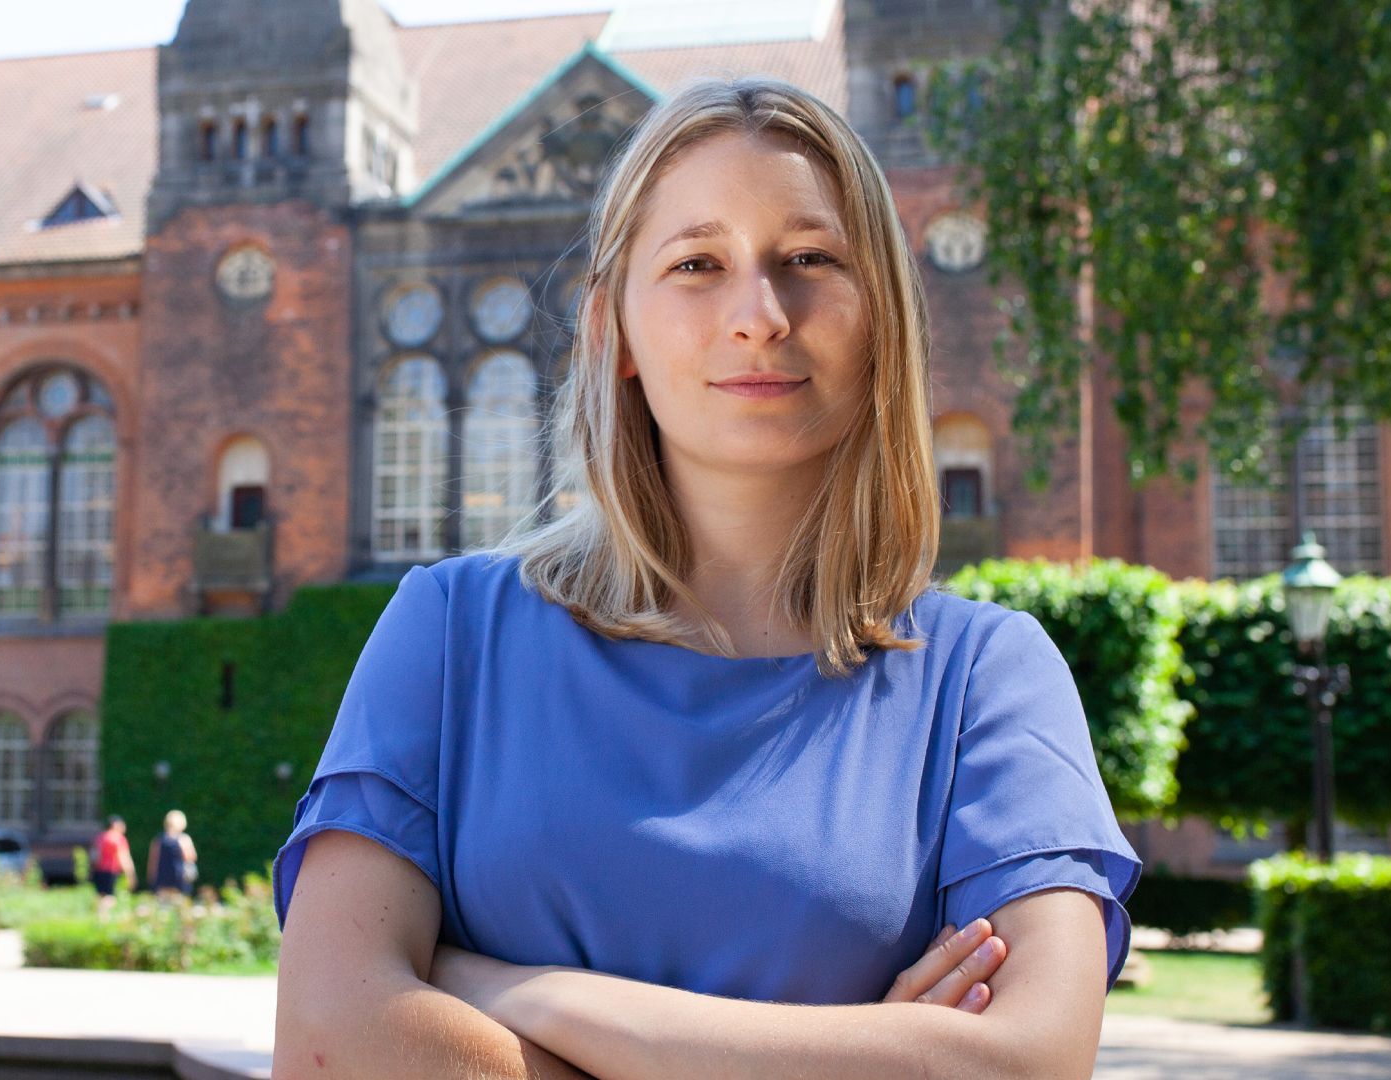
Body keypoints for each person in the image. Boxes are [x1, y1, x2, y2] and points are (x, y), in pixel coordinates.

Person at [271, 76, 1140, 1080]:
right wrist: (870, 1056)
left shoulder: (984, 678)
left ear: (883, 321)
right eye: (695, 263)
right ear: (613, 332)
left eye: (809, 259)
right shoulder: (450, 632)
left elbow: (1024, 1065)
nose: (759, 314)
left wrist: (523, 994)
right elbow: (333, 1045)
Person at [89, 814, 135, 918]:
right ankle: (102, 915)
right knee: (111, 898)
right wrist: (130, 875)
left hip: (99, 870)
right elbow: (124, 858)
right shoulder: (118, 838)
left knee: (101, 896)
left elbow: (94, 855)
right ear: (115, 824)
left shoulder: (100, 837)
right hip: (111, 871)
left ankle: (102, 920)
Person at [145, 809, 197, 901]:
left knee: (162, 904)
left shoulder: (158, 840)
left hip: (162, 877)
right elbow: (190, 857)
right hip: (179, 876)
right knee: (179, 902)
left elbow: (153, 861)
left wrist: (151, 877)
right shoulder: (183, 839)